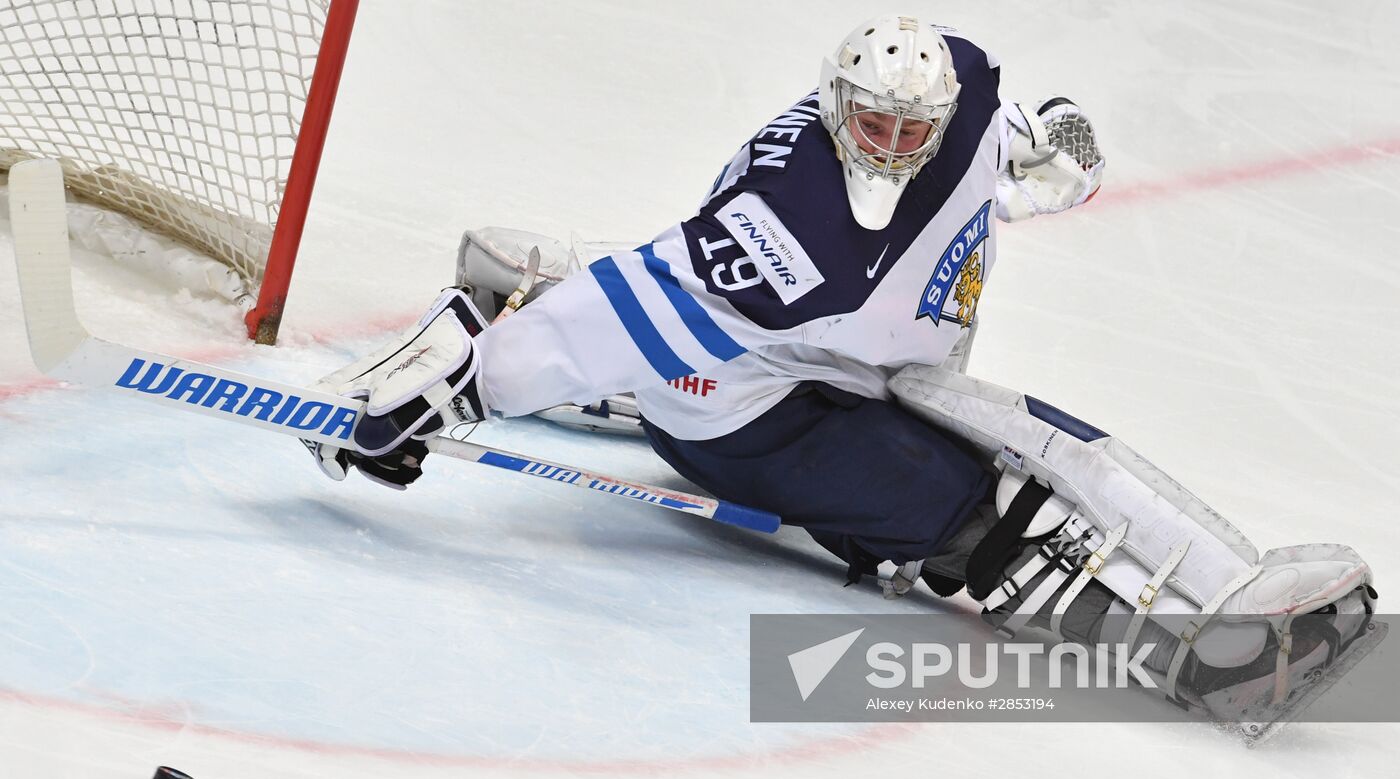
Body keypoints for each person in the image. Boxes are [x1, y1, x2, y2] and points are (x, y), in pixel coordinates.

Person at [307, 15, 1378, 725]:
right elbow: (645, 305)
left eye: (914, 126)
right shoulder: (793, 220)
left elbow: (987, 140)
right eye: (873, 123)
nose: (893, 143)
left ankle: (519, 291)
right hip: (752, 405)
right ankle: (1205, 651)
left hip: (829, 361)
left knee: (947, 419)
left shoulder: (952, 92)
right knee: (978, 499)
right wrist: (468, 389)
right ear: (833, 102)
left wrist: (1039, 144)